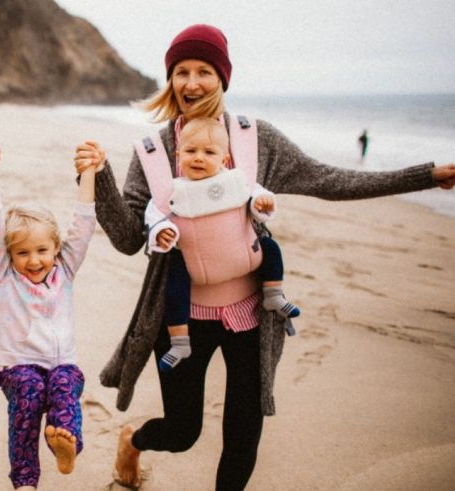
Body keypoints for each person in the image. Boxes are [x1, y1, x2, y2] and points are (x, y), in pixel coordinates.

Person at [72, 23, 455, 490]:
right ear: (170, 79)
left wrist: (425, 176)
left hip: (251, 316)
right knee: (182, 432)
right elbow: (130, 238)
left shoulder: (256, 140)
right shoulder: (153, 152)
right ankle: (134, 441)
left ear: (223, 78)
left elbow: (329, 180)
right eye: (182, 72)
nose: (192, 83)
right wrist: (100, 179)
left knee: (243, 436)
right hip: (179, 317)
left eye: (205, 71)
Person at [0, 140, 102, 490]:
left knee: (65, 385)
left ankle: (66, 443)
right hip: (19, 367)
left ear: (57, 249)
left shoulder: (65, 270)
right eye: (23, 252)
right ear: (9, 254)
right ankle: (26, 482)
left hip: (62, 363)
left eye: (42, 250)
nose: (34, 260)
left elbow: (83, 225)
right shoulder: (2, 275)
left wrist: (88, 172)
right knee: (29, 397)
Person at [144, 117, 299, 372]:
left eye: (209, 152)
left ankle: (273, 294)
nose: (198, 158)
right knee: (174, 278)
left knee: (270, 248)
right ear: (178, 155)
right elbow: (154, 216)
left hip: (245, 259)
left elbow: (256, 195)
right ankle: (180, 339)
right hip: (197, 269)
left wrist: (262, 203)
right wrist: (161, 231)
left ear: (225, 159)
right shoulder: (172, 191)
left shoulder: (235, 180)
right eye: (191, 151)